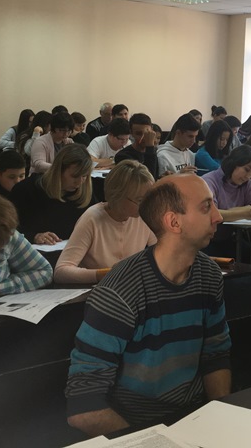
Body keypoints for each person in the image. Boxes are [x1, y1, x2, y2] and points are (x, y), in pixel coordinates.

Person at [65, 174, 231, 436]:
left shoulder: (208, 275)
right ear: (173, 222)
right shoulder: (120, 291)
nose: (218, 216)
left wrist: (220, 422)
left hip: (194, 421)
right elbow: (84, 408)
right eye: (206, 207)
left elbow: (216, 356)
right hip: (136, 430)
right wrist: (153, 440)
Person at [54, 160, 157, 284]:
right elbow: (61, 271)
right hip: (98, 289)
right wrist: (103, 274)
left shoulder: (143, 217)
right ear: (118, 195)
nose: (147, 205)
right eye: (140, 200)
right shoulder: (92, 219)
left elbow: (162, 254)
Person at [11, 144, 95, 245]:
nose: (79, 182)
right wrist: (33, 236)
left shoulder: (85, 194)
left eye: (84, 176)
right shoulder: (27, 190)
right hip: (34, 249)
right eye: (74, 176)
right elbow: (8, 229)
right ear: (59, 171)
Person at [201, 145, 251, 254]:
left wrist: (232, 212)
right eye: (246, 170)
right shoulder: (209, 181)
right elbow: (212, 214)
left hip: (228, 238)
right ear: (233, 163)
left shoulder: (245, 183)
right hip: (206, 241)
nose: (248, 176)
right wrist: (244, 212)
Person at [115, 112, 159, 178]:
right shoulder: (123, 156)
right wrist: (150, 146)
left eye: (146, 133)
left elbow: (154, 177)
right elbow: (147, 178)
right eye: (139, 134)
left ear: (152, 130)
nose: (143, 137)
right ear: (131, 133)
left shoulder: (153, 151)